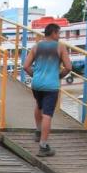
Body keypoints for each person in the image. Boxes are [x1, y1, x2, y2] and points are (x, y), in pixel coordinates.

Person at [22, 22, 73, 157]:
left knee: (39, 106)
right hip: (51, 86)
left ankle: (38, 132)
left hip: (36, 84)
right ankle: (43, 146)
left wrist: (36, 76)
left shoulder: (36, 47)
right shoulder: (60, 47)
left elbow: (26, 66)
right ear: (54, 33)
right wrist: (59, 76)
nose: (59, 36)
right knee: (47, 115)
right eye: (59, 33)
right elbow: (68, 67)